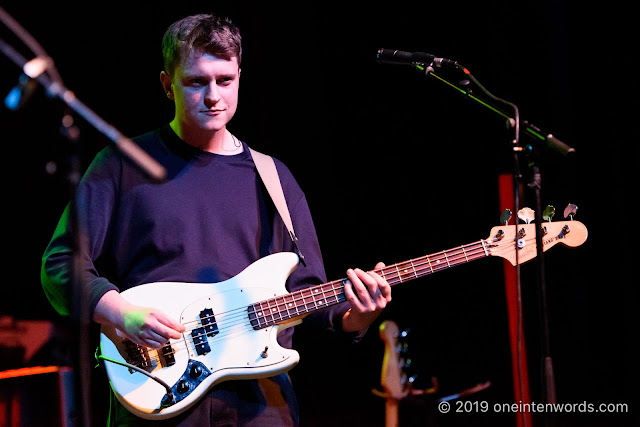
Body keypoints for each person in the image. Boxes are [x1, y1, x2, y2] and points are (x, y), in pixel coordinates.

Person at [41, 13, 391, 426]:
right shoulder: (120, 165)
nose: (213, 97)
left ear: (240, 76)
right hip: (158, 397)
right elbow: (61, 266)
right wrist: (123, 313)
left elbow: (309, 299)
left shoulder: (274, 178)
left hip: (261, 405)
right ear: (167, 84)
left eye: (225, 80)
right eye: (196, 82)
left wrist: (358, 316)